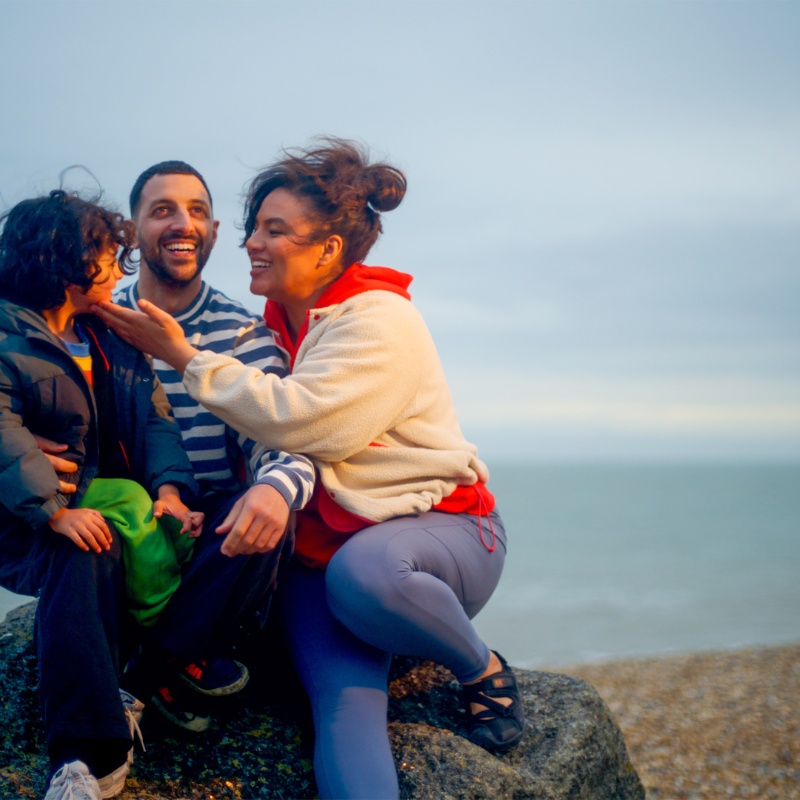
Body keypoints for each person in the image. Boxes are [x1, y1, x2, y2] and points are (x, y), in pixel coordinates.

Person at [95, 139, 524, 800]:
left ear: (327, 249)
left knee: (365, 578)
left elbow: (303, 420)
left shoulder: (380, 321)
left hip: (437, 533)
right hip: (323, 549)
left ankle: (480, 667)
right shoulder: (275, 325)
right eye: (252, 229)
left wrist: (183, 357)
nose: (252, 245)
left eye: (275, 231)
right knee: (341, 707)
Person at [0, 190, 201, 800]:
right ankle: (82, 757)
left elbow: (156, 418)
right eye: (110, 258)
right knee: (86, 549)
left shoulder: (113, 335)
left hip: (118, 503)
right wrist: (55, 511)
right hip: (34, 525)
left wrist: (170, 488)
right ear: (66, 263)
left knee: (238, 534)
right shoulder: (9, 335)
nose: (121, 269)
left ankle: (146, 675)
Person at [111, 161, 315, 730]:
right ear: (131, 232)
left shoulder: (242, 332)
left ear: (215, 230)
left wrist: (275, 488)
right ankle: (184, 659)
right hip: (127, 517)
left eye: (197, 211)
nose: (183, 224)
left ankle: (142, 679)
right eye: (162, 210)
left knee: (262, 515)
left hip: (207, 530)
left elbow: (282, 437)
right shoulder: (100, 319)